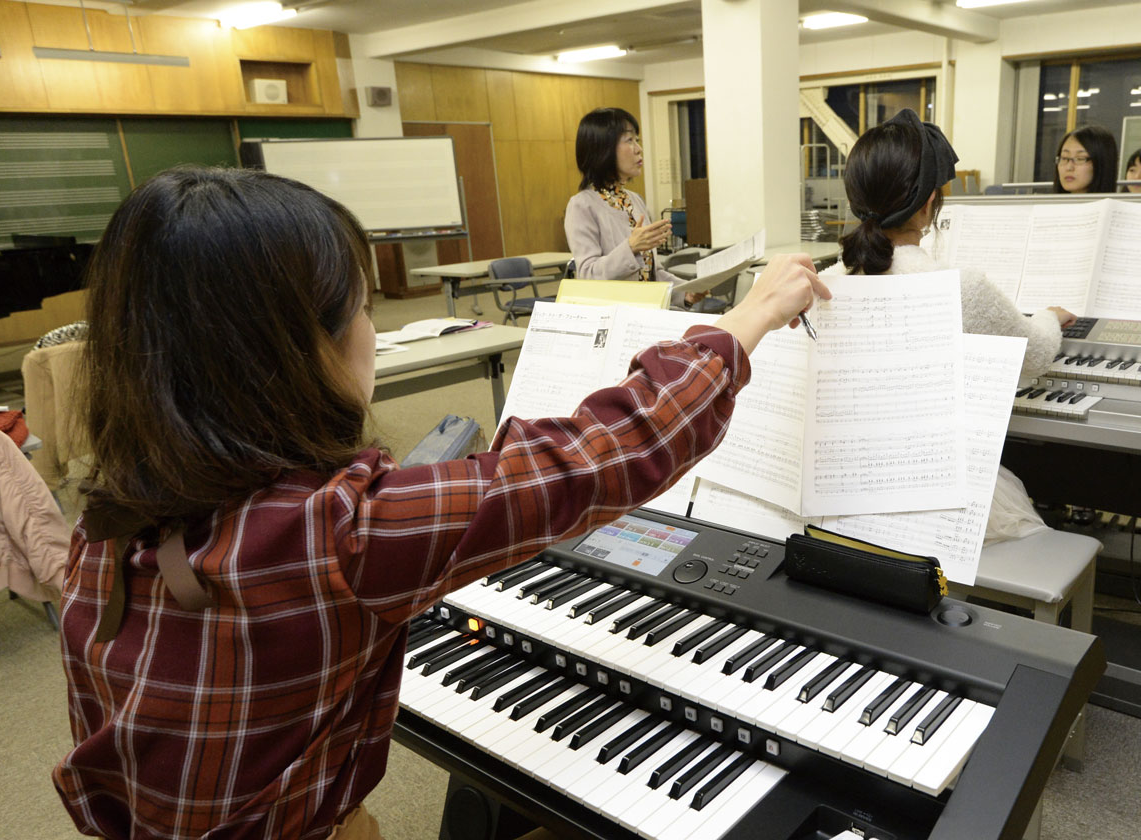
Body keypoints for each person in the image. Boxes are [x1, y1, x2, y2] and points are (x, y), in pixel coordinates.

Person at [53, 166, 828, 840]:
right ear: (295, 355)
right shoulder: (337, 533)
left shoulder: (103, 526)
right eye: (360, 308)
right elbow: (604, 455)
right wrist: (747, 317)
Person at [836, 109, 1074, 544]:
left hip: (848, 484)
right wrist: (1050, 316)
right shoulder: (959, 287)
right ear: (929, 205)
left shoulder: (831, 280)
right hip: (935, 491)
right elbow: (1036, 355)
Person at [564, 107, 676, 284]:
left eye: (637, 140)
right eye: (630, 140)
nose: (639, 149)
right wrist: (630, 248)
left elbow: (652, 272)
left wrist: (686, 291)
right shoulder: (581, 205)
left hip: (648, 307)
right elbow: (588, 275)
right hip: (615, 310)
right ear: (603, 148)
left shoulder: (635, 200)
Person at [1051, 124, 1118, 194]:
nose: (1069, 167)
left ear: (1101, 164)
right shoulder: (1047, 204)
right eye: (1064, 158)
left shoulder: (1111, 205)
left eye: (1080, 159)